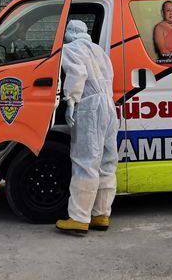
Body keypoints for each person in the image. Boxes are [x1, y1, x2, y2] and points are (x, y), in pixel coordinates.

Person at [55, 20, 119, 235]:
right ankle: (101, 214)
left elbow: (77, 73)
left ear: (71, 33)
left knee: (86, 160)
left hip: (90, 104)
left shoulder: (71, 49)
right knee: (107, 161)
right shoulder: (99, 50)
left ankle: (79, 217)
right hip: (109, 105)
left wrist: (70, 101)